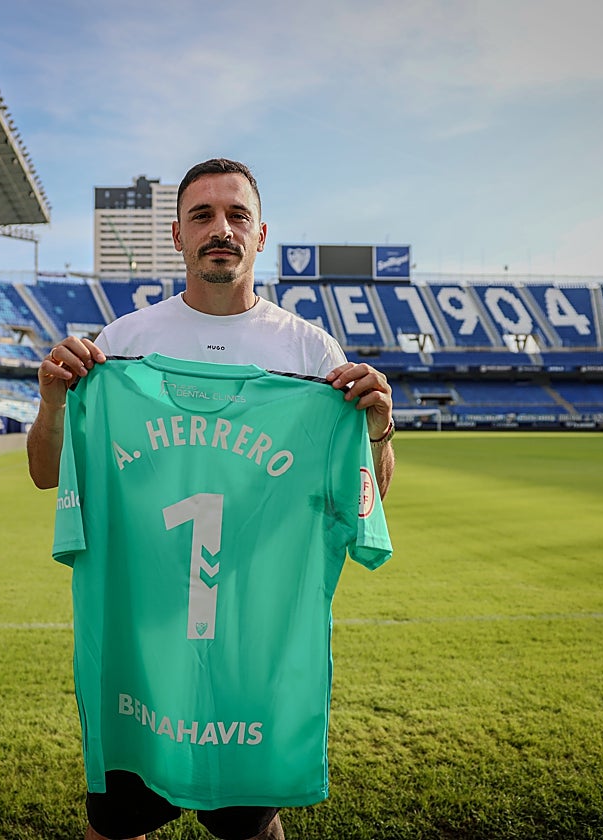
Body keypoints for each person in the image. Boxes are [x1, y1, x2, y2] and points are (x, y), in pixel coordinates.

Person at [27, 158, 395, 840]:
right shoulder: (121, 347)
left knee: (251, 830)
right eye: (202, 215)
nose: (219, 228)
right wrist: (53, 406)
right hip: (141, 641)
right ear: (178, 235)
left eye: (236, 216)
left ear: (260, 236)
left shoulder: (311, 354)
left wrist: (377, 432)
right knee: (117, 825)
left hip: (252, 643)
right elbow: (48, 476)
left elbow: (365, 498)